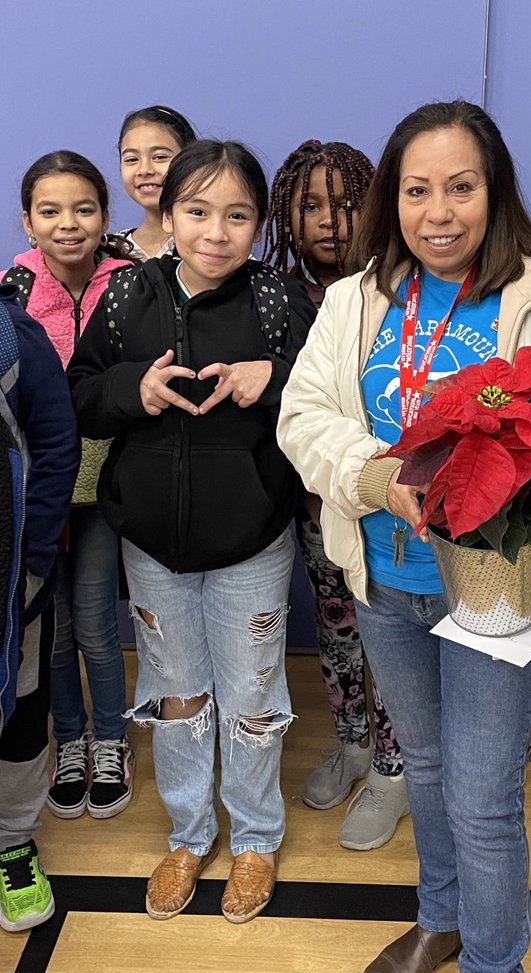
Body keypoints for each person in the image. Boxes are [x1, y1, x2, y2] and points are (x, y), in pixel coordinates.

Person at [277, 100, 531, 973]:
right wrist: (374, 475)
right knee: (428, 771)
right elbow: (302, 417)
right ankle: (441, 917)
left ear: (495, 192)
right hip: (387, 585)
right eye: (417, 190)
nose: (439, 212)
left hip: (494, 597)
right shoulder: (359, 300)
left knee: (483, 803)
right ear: (391, 201)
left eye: (461, 188)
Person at [68, 140, 314, 924]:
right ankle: (188, 832)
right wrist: (131, 391)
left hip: (252, 540)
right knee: (175, 696)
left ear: (257, 223)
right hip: (151, 541)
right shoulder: (122, 296)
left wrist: (271, 379)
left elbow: (326, 400)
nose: (217, 231)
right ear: (168, 215)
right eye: (198, 211)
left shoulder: (280, 301)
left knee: (250, 696)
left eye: (237, 214)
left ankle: (255, 838)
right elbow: (78, 393)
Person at [265, 139, 409, 850]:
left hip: (385, 505)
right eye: (312, 206)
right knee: (334, 625)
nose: (331, 221)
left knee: (387, 634)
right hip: (312, 503)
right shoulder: (272, 294)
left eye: (349, 205)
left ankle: (393, 764)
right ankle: (352, 740)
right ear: (286, 215)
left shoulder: (395, 290)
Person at [1, 151, 136, 821]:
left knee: (95, 626)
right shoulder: (12, 294)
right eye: (50, 211)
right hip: (35, 497)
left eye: (85, 209)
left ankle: (111, 739)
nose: (69, 224)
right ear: (28, 222)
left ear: (106, 218)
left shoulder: (133, 283)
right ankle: (70, 741)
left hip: (106, 491)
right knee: (45, 635)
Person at [0, 285, 80, 931]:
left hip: (10, 580)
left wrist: (30, 563)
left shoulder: (14, 336)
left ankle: (12, 840)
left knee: (22, 706)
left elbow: (56, 447)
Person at [117, 104, 197, 261]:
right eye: (132, 159)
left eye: (159, 157)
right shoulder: (112, 250)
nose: (145, 170)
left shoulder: (210, 246)